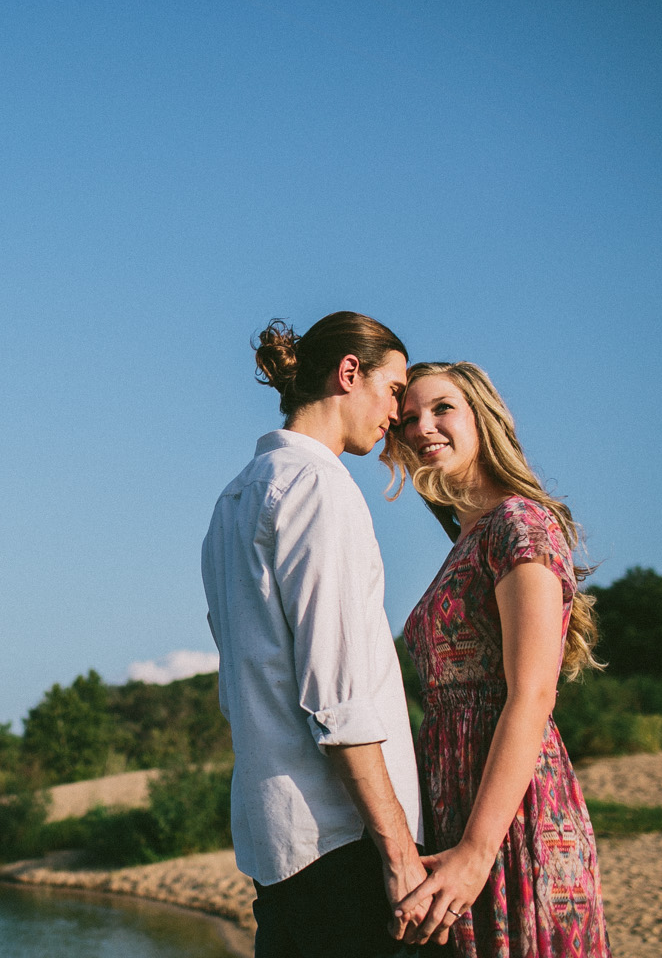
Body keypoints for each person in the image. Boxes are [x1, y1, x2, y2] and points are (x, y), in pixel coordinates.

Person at [202, 313, 443, 958]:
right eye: (394, 391)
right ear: (348, 374)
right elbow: (338, 695)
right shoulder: (317, 487)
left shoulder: (232, 503)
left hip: (279, 845)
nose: (399, 415)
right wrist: (397, 851)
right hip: (344, 844)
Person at [383, 361, 611, 957]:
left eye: (442, 409)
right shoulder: (469, 538)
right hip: (457, 797)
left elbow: (533, 693)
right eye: (408, 419)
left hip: (510, 811)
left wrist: (477, 851)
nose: (422, 427)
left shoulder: (518, 523)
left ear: (483, 417)